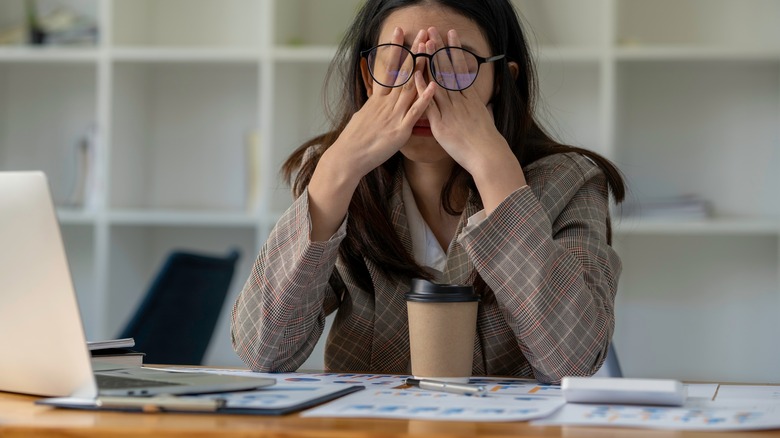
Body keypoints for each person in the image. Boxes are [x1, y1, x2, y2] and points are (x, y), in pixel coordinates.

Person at [231, 0, 626, 384]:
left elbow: (572, 362)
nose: (423, 89)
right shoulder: (338, 178)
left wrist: (495, 171)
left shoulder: (570, 181)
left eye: (453, 63)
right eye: (398, 62)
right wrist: (337, 170)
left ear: (502, 82)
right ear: (369, 78)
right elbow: (264, 350)